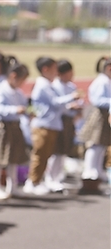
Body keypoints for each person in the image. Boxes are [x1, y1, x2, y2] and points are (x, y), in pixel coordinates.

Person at [28, 57, 81, 195]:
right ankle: (33, 181)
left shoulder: (48, 84)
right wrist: (71, 98)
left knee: (46, 154)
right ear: (46, 69)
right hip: (43, 124)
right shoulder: (43, 85)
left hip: (51, 124)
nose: (56, 72)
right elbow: (55, 102)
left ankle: (38, 181)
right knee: (40, 155)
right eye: (54, 68)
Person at [0, 63, 31, 199]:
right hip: (3, 128)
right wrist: (15, 110)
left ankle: (12, 186)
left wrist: (27, 112)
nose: (22, 84)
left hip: (15, 127)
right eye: (22, 80)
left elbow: (24, 105)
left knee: (14, 158)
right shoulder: (0, 90)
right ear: (13, 76)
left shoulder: (18, 92)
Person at [78, 56, 111, 194]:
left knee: (102, 144)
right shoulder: (101, 82)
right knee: (94, 144)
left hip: (104, 115)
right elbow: (97, 100)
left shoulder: (106, 81)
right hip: (98, 116)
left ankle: (97, 170)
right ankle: (89, 171)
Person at [45, 59, 80, 192]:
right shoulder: (55, 86)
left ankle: (58, 176)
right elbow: (57, 104)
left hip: (69, 120)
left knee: (64, 149)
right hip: (59, 120)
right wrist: (70, 103)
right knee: (56, 150)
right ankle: (50, 177)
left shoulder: (71, 86)